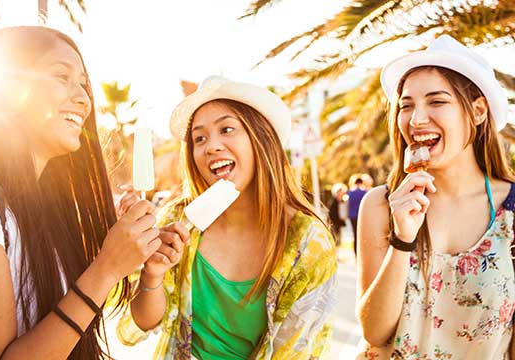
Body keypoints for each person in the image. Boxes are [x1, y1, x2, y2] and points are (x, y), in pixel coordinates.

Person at [0, 26, 162, 359]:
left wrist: (140, 262)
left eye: (83, 83)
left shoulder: (42, 212)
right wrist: (107, 267)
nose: (83, 98)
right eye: (61, 76)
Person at [116, 76, 338, 359]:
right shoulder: (177, 219)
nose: (211, 146)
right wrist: (153, 274)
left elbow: (297, 352)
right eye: (199, 138)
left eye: (227, 129)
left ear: (261, 139)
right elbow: (136, 328)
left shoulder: (308, 242)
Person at [356, 35, 515, 359]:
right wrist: (402, 238)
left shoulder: (511, 210)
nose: (416, 120)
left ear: (478, 110)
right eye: (406, 105)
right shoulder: (380, 205)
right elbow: (374, 332)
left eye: (437, 101)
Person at [347, 175, 368, 255]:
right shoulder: (364, 192)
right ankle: (362, 253)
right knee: (362, 235)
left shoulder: (350, 193)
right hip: (361, 216)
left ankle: (356, 254)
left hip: (352, 216)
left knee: (355, 235)